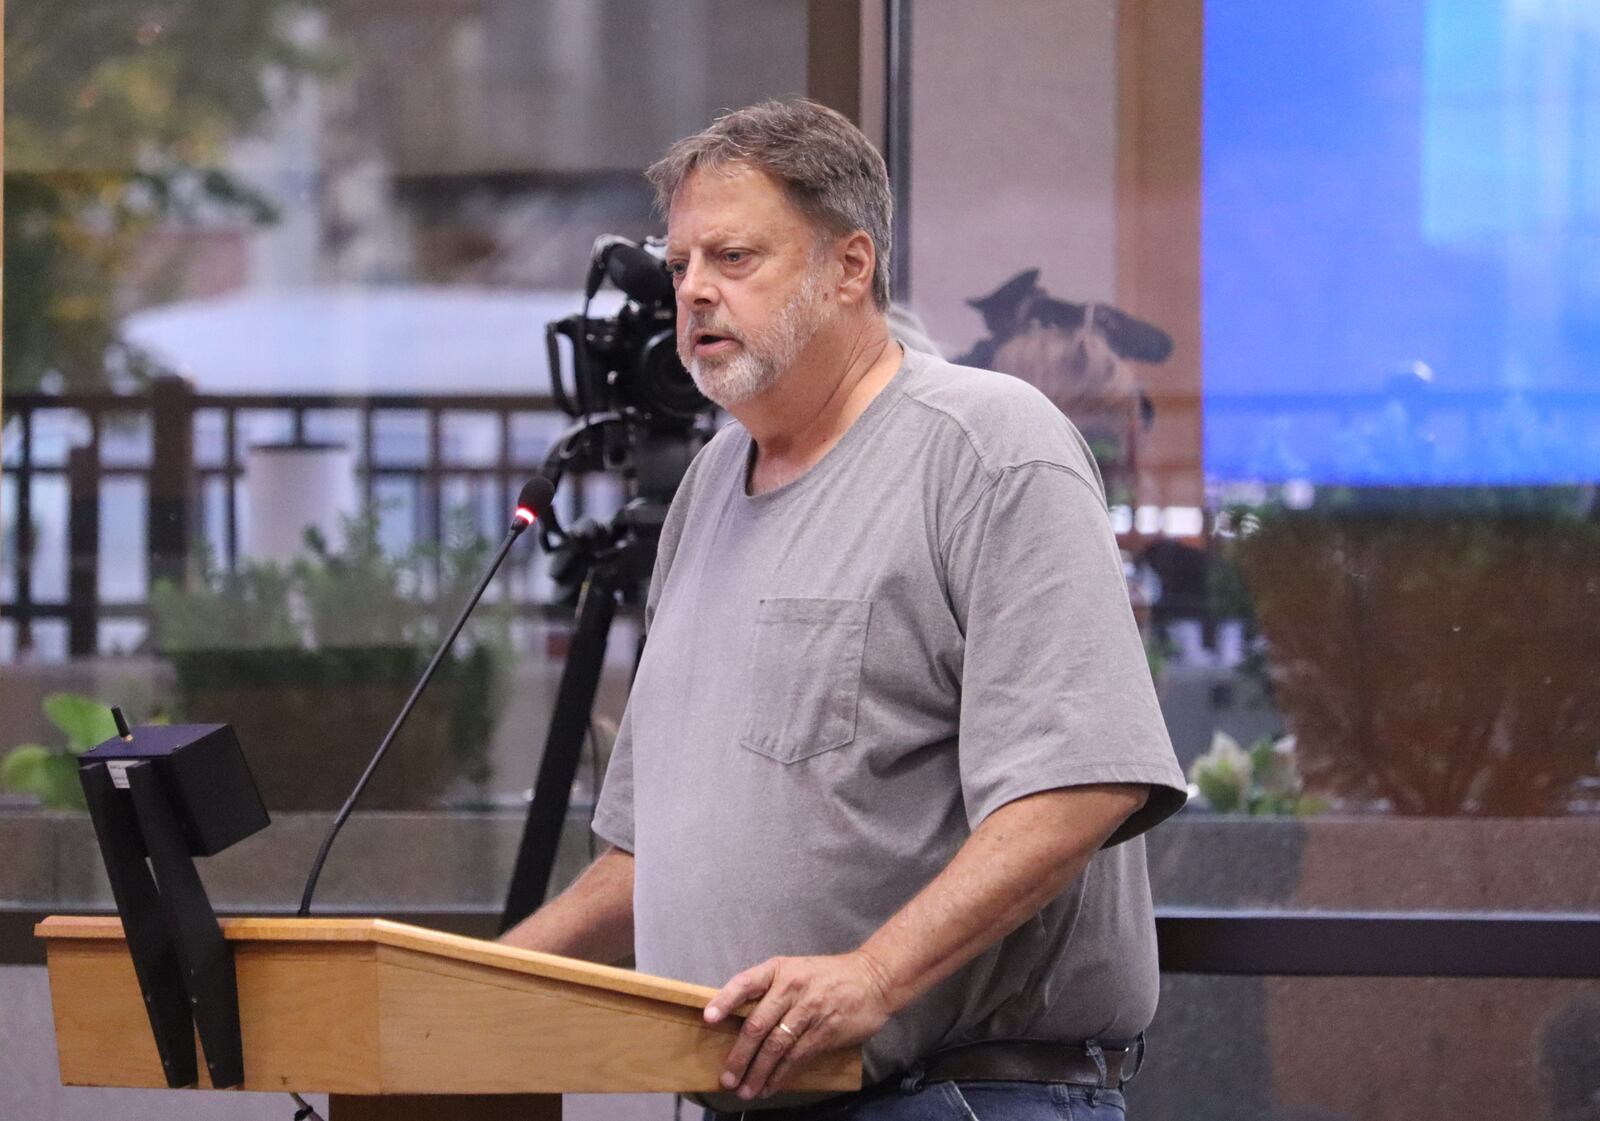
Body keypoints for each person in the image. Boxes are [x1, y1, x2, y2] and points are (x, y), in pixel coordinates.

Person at [500, 97, 1187, 1120]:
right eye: (682, 262)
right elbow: (656, 849)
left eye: (733, 258)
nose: (693, 291)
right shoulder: (709, 484)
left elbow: (1081, 781)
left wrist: (869, 974)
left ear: (849, 267)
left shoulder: (986, 444)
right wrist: (469, 976)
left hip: (954, 1096)